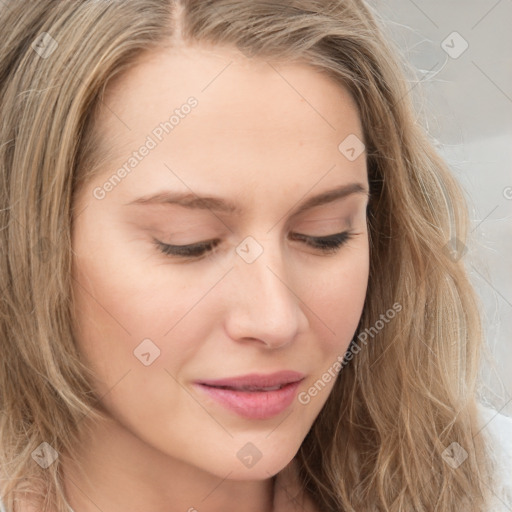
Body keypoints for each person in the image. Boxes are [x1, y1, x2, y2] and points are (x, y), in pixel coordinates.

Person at [0, 1, 510, 511]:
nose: (275, 319)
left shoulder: (487, 484)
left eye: (323, 235)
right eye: (188, 243)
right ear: (26, 240)